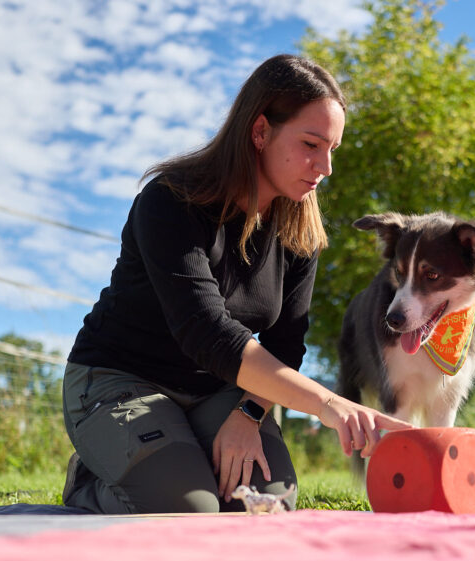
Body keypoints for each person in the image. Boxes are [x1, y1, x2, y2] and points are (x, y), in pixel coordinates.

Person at [61, 54, 412, 514]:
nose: (325, 166)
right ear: (260, 131)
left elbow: (286, 345)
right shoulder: (169, 201)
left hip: (218, 390)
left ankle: (180, 457)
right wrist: (328, 404)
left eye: (333, 149)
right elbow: (206, 333)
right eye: (311, 143)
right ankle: (89, 481)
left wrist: (249, 414)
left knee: (263, 506)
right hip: (120, 379)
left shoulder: (301, 235)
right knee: (187, 510)